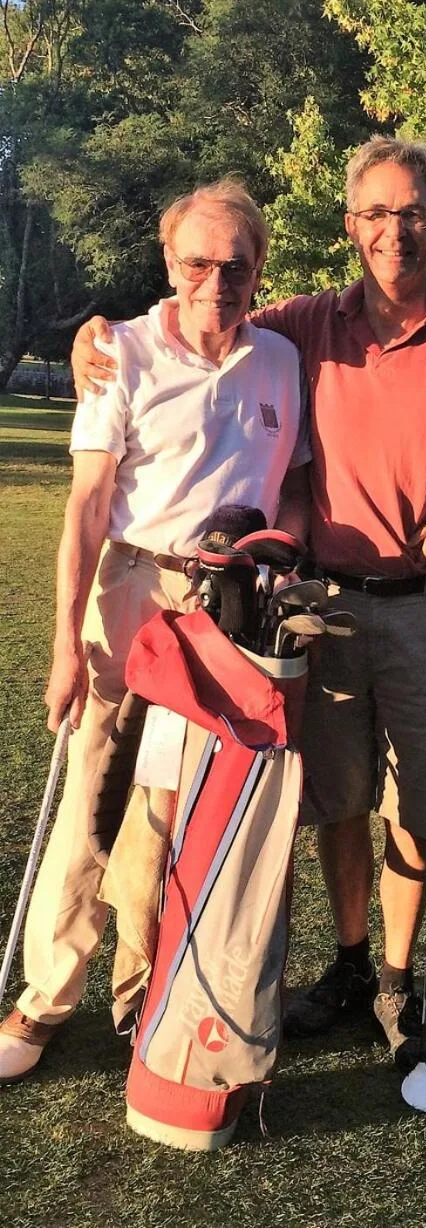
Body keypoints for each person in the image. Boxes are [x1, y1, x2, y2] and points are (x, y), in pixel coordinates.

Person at [69, 137, 426, 1077]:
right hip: (317, 608)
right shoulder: (309, 324)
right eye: (375, 215)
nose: (393, 232)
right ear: (351, 227)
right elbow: (199, 312)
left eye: (412, 214)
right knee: (338, 802)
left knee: (415, 805)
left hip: (420, 608)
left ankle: (399, 982)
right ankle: (352, 966)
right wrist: (98, 333)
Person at [0, 180, 310, 1085]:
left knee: (174, 809)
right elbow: (87, 505)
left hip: (229, 606)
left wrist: (282, 543)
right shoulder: (119, 353)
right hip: (133, 586)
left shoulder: (282, 359)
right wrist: (65, 643)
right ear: (169, 265)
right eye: (198, 264)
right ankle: (46, 997)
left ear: (259, 270)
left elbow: (295, 478)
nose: (218, 283)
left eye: (237, 266)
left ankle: (145, 996)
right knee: (94, 793)